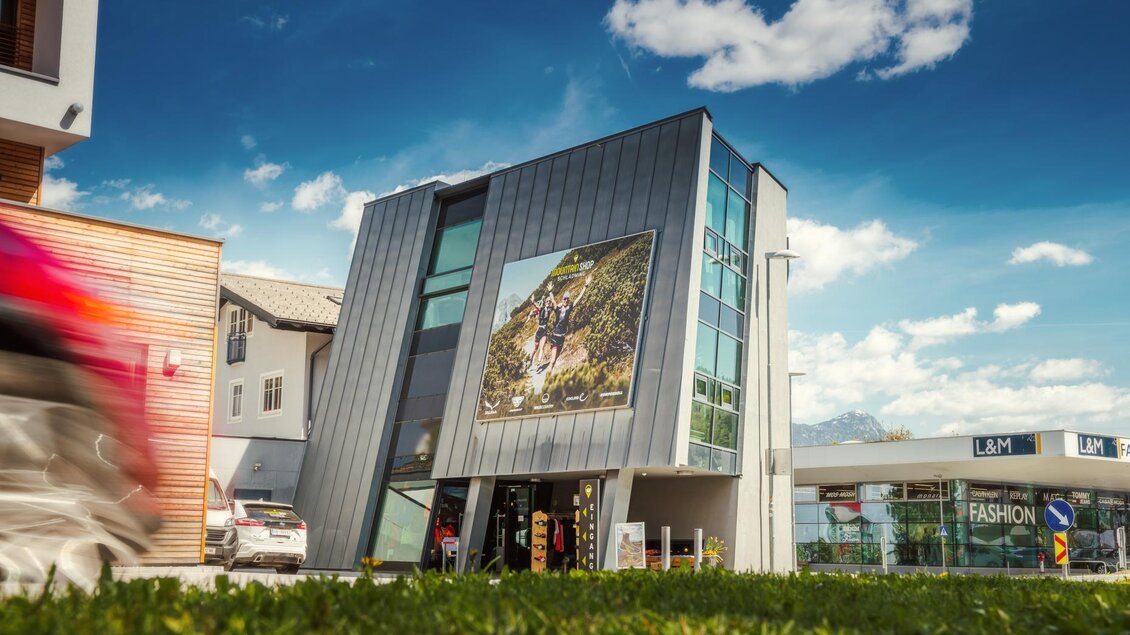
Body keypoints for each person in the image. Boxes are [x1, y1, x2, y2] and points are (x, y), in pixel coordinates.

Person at [545, 275, 591, 377]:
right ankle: (546, 381)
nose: (565, 300)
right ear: (562, 300)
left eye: (567, 299)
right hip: (555, 337)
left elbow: (579, 298)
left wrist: (585, 286)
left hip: (562, 338)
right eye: (564, 298)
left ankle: (548, 378)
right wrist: (550, 291)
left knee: (555, 360)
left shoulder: (569, 308)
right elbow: (553, 301)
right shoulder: (557, 309)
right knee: (552, 361)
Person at [523, 286, 555, 371]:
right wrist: (533, 301)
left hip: (544, 331)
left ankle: (539, 362)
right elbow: (536, 305)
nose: (548, 302)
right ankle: (530, 361)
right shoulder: (541, 309)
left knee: (542, 347)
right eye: (547, 301)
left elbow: (554, 302)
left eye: (549, 301)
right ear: (545, 302)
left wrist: (551, 293)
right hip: (539, 331)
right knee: (535, 348)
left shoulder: (550, 309)